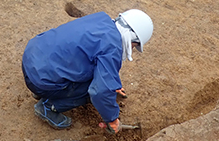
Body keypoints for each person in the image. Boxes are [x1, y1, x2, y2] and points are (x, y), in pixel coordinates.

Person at [22, 9, 153, 133]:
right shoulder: (112, 48)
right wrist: (112, 119)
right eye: (135, 45)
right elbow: (100, 92)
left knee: (91, 71)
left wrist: (114, 86)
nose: (132, 48)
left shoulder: (101, 19)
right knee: (92, 90)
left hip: (33, 56)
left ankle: (44, 90)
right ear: (132, 38)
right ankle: (47, 106)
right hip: (39, 80)